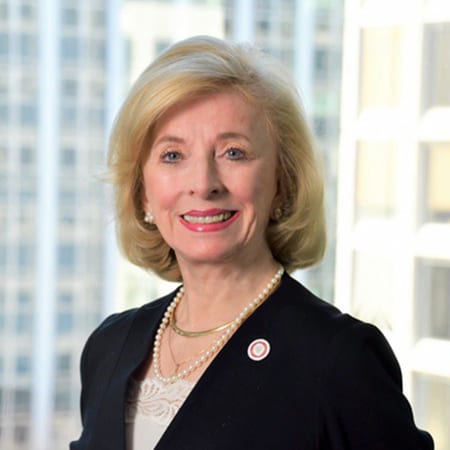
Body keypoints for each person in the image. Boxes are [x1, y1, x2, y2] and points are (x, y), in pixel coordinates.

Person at [70, 36, 433, 450]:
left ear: (282, 183)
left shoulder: (337, 359)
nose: (203, 184)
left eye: (233, 153)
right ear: (142, 193)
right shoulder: (110, 346)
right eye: (172, 155)